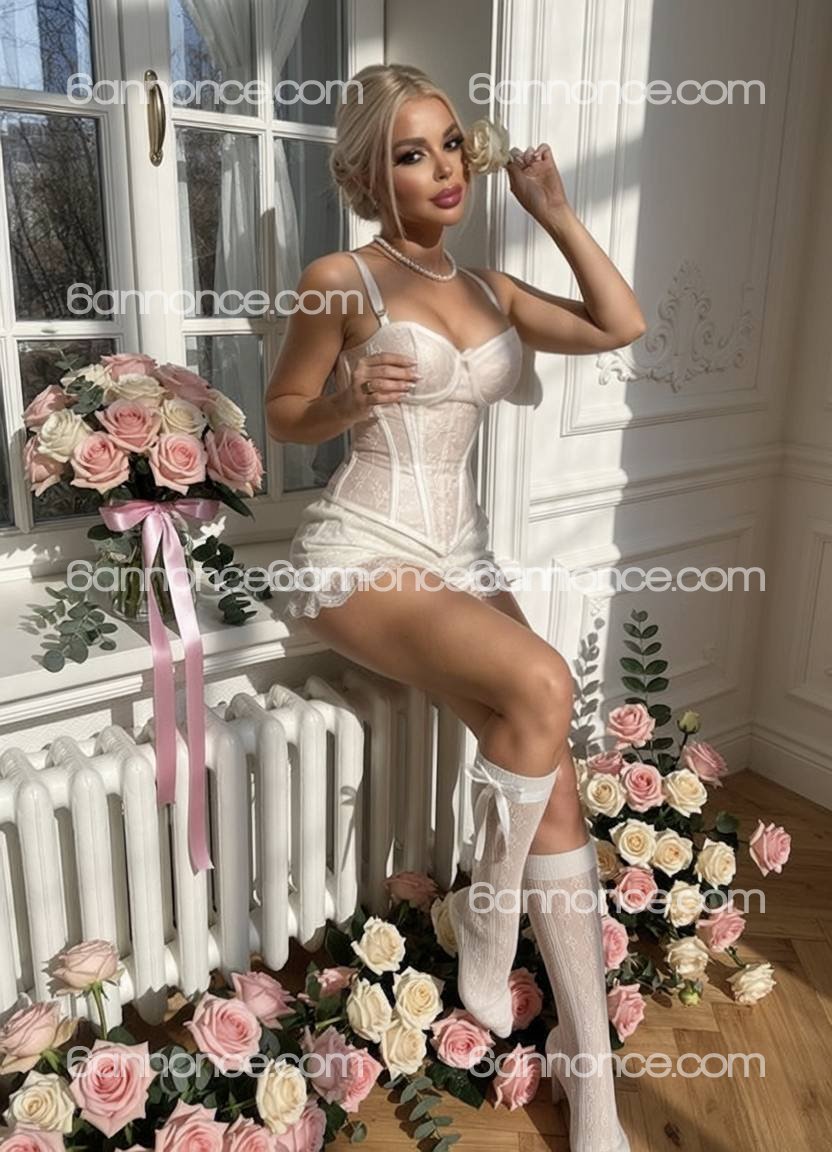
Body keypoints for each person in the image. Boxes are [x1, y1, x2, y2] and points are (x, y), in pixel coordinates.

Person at [266, 63, 645, 1152]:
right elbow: (283, 411)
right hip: (364, 550)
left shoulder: (489, 287)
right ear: (367, 175)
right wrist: (344, 397)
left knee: (551, 771)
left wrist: (555, 212)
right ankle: (488, 906)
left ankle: (590, 1079)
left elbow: (619, 323)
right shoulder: (340, 278)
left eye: (448, 146)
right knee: (544, 681)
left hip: (462, 558)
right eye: (409, 153)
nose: (442, 170)